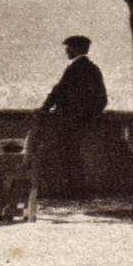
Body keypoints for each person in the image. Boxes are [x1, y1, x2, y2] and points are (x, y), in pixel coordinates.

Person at [36, 33, 108, 193]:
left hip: (69, 121)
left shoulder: (75, 69)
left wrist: (44, 109)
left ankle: (74, 190)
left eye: (69, 48)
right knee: (73, 155)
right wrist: (89, 116)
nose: (67, 51)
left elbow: (58, 91)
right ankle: (76, 190)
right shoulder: (93, 69)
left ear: (77, 49)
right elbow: (102, 99)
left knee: (69, 154)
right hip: (80, 121)